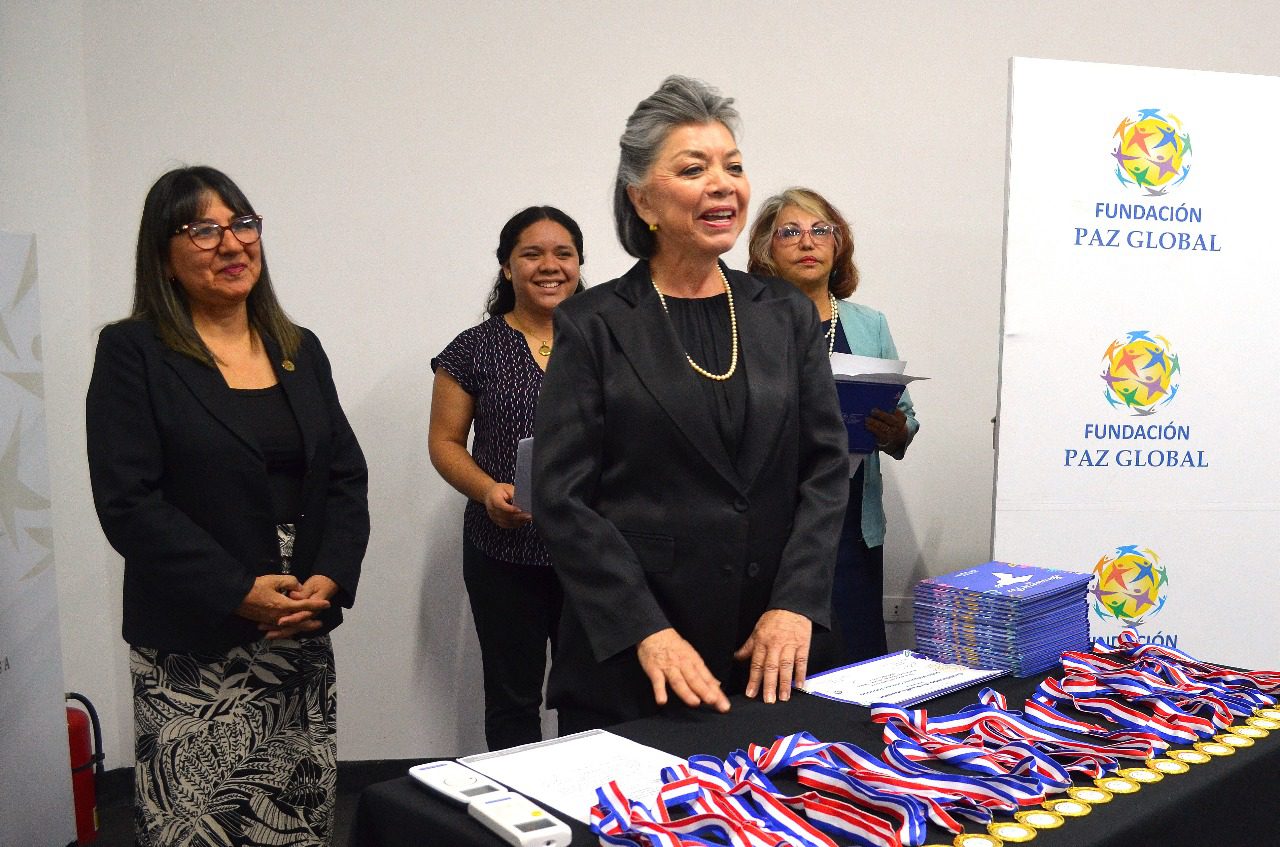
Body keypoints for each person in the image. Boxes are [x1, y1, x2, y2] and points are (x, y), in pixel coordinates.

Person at [532, 77, 849, 733]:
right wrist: (644, 627)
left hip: (768, 653)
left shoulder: (783, 313)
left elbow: (824, 468)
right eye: (693, 167)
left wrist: (795, 603)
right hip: (637, 661)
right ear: (642, 198)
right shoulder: (593, 323)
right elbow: (562, 497)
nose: (724, 183)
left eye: (733, 166)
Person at [86, 166, 369, 847]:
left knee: (293, 821)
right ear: (164, 256)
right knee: (198, 827)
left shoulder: (300, 350)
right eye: (203, 229)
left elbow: (344, 478)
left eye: (242, 223)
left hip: (295, 631)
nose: (231, 243)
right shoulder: (134, 353)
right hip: (194, 642)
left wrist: (330, 578)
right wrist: (238, 590)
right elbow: (128, 502)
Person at [428, 206, 584, 749]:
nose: (549, 266)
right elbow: (444, 444)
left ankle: (586, 814)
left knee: (587, 695)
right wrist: (486, 490)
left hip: (593, 552)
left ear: (579, 264)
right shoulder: (473, 348)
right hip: (504, 550)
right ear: (506, 267)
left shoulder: (609, 343)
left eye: (563, 253)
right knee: (513, 696)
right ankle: (518, 818)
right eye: (531, 253)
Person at [747, 187, 919, 662]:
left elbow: (908, 417)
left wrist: (895, 430)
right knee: (783, 662)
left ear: (838, 243)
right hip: (773, 518)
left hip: (850, 521)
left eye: (820, 230)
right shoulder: (745, 322)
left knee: (857, 659)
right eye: (791, 232)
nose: (808, 242)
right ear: (766, 249)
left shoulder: (869, 323)